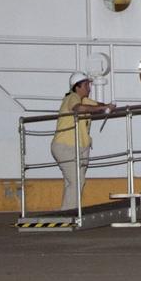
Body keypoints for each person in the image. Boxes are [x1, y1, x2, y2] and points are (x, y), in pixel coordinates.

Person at [51, 73, 115, 211]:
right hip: (66, 147)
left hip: (79, 147)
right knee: (77, 181)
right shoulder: (72, 97)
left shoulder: (84, 100)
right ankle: (70, 212)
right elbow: (78, 109)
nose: (89, 88)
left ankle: (68, 210)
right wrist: (102, 108)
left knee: (74, 182)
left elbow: (98, 105)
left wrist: (108, 106)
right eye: (86, 85)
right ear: (77, 86)